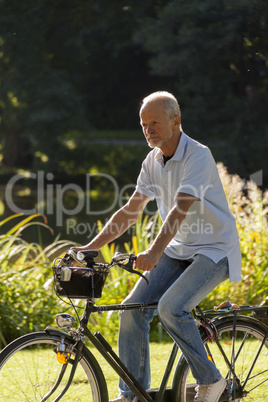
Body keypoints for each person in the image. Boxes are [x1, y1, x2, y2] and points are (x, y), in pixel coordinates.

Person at [72, 91, 241, 402]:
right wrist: (91, 248)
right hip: (180, 249)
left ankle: (211, 381)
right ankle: (132, 394)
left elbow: (179, 210)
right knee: (130, 311)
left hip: (215, 249)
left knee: (171, 308)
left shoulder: (197, 155)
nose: (148, 130)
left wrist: (153, 252)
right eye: (143, 124)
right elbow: (130, 211)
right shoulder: (152, 160)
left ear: (176, 122)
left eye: (155, 123)